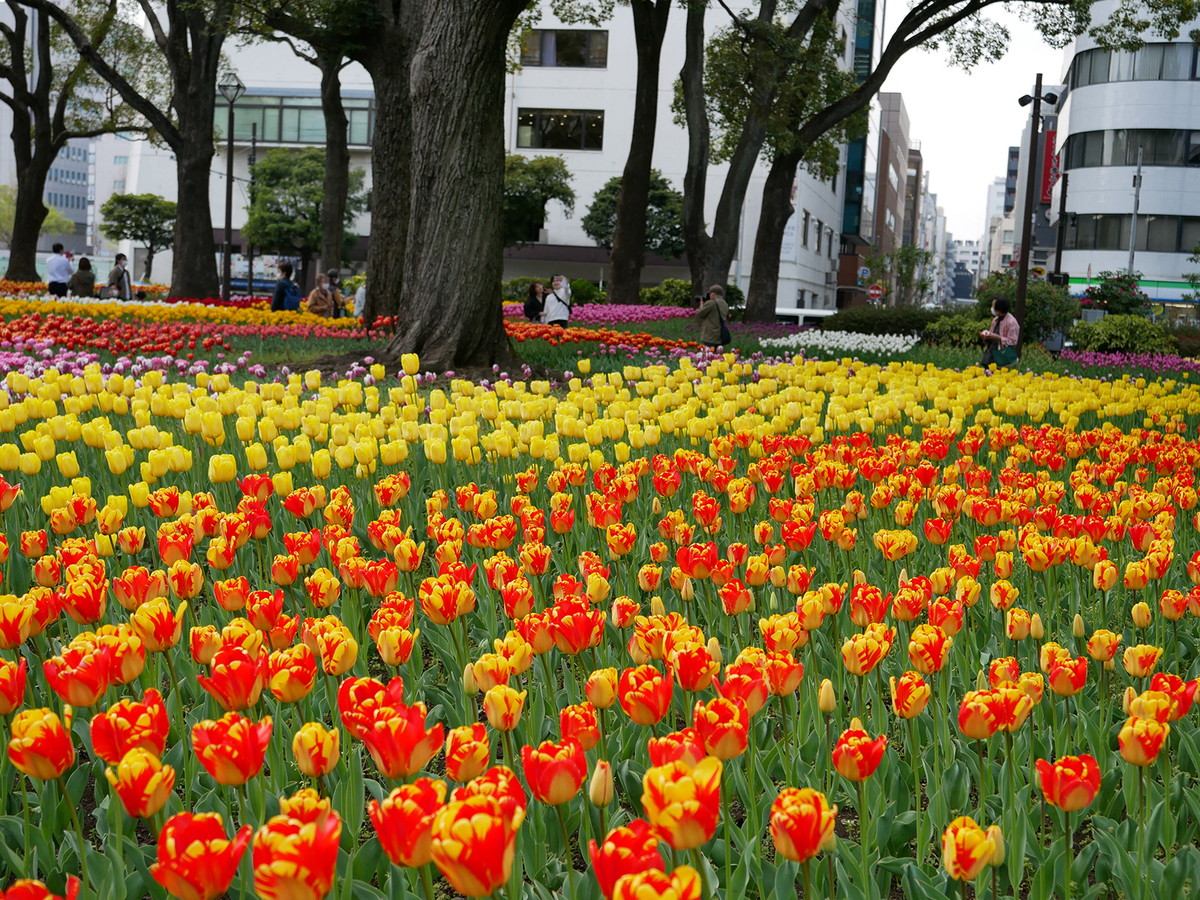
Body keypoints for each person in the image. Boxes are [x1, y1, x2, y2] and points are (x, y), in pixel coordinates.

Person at [979, 297, 1020, 367]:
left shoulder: (1012, 322)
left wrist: (997, 337)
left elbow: (1013, 341)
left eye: (993, 306)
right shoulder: (995, 320)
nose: (992, 308)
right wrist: (986, 338)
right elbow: (991, 335)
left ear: (999, 310)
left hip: (1002, 357)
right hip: (990, 355)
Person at [694, 284, 730, 349]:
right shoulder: (725, 303)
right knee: (716, 357)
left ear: (713, 294)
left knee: (707, 356)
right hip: (720, 336)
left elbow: (699, 314)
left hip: (710, 336)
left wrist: (701, 305)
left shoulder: (711, 303)